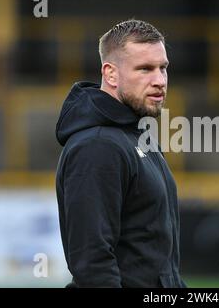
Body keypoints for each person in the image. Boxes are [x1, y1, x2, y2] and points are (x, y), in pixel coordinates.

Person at [55, 19, 185, 288]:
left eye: (163, 68)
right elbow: (93, 264)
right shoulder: (98, 146)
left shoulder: (135, 136)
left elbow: (158, 267)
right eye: (145, 69)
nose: (159, 81)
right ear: (111, 74)